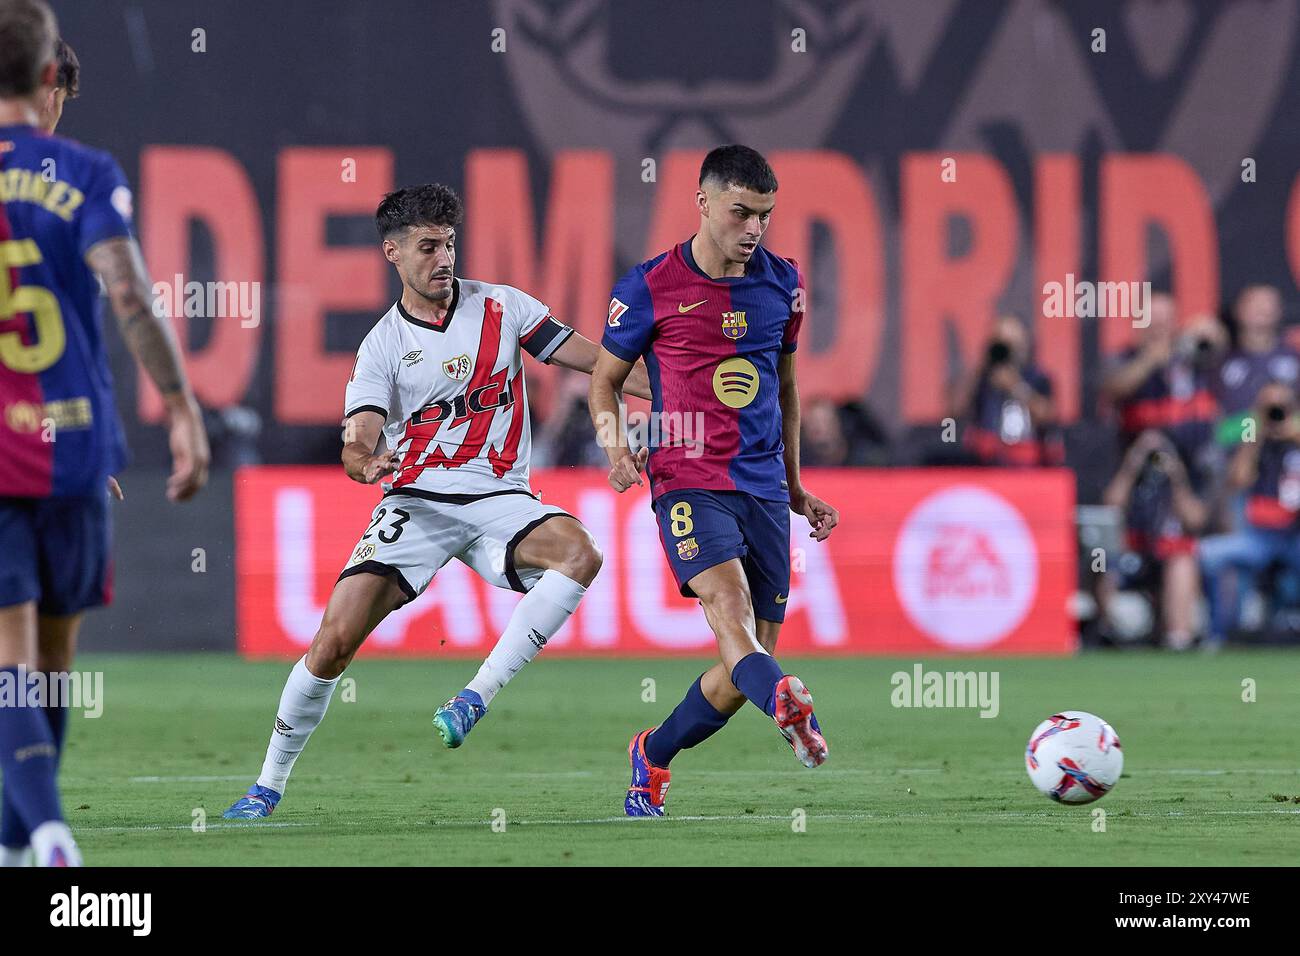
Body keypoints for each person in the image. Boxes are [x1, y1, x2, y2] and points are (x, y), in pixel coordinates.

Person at [222, 184, 650, 819]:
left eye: (450, 243)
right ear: (392, 252)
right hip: (417, 502)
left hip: (502, 497)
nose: (444, 258)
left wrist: (675, 386)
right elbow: (357, 441)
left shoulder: (504, 308)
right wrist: (368, 463)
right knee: (334, 642)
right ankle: (267, 785)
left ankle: (474, 697)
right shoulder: (382, 346)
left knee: (581, 553)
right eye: (428, 247)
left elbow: (601, 364)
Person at [0, 0, 208, 866]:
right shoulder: (83, 170)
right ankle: (25, 842)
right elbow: (128, 296)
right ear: (51, 75)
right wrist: (183, 406)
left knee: (12, 659)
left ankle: (42, 834)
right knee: (51, 662)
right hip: (76, 450)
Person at [588, 144, 839, 818]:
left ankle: (653, 753)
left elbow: (784, 389)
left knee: (743, 664)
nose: (754, 227)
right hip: (685, 477)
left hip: (761, 486)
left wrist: (794, 487)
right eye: (741, 212)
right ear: (703, 203)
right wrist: (616, 449)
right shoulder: (647, 286)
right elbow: (604, 382)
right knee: (727, 612)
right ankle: (786, 701)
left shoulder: (783, 283)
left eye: (764, 214)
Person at [1199, 382, 1300, 648]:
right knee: (1208, 554)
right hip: (1260, 536)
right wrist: (1255, 437)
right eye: (1269, 408)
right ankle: (1219, 635)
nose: (1276, 415)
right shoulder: (1253, 440)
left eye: (1281, 408)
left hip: (1295, 536)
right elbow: (1238, 480)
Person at [949, 314, 1062, 467]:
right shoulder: (981, 377)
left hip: (1027, 457)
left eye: (1011, 345)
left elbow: (1047, 415)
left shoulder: (1037, 378)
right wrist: (981, 366)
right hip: (984, 458)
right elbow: (954, 411)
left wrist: (1015, 387)